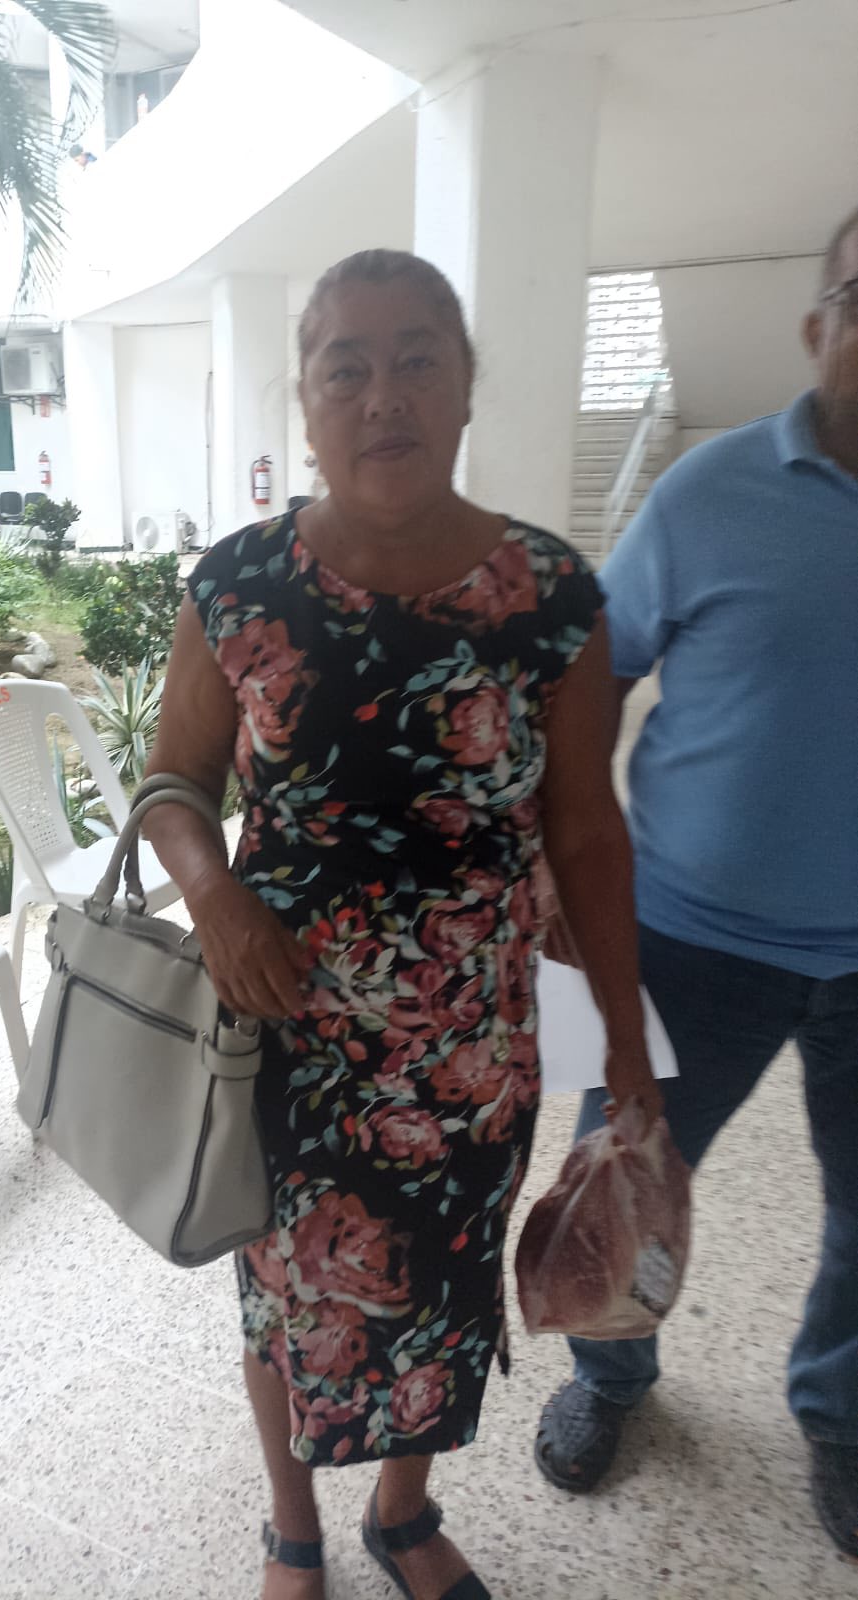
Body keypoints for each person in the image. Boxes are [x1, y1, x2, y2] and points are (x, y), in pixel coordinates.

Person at [144, 248, 661, 1600]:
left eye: (418, 358)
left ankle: (401, 1512)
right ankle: (292, 1529)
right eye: (347, 368)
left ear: (467, 384)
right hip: (283, 1036)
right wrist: (213, 894)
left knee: (439, 1289)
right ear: (306, 404)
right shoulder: (236, 586)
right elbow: (171, 785)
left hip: (469, 1052)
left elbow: (585, 833)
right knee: (283, 1294)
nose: (384, 394)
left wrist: (623, 1038)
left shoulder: (551, 596)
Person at [534, 206, 858, 1561]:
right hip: (684, 939)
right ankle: (610, 1378)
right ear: (818, 326)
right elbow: (591, 681)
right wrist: (572, 865)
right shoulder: (709, 491)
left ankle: (839, 1417)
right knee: (620, 1175)